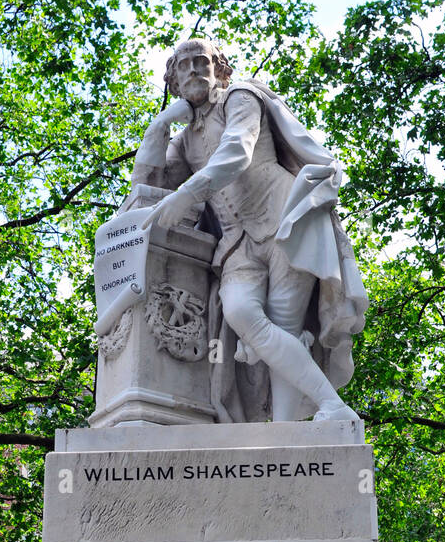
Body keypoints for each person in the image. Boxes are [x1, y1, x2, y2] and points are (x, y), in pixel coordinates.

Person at [134, 38, 368, 424]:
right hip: (236, 244)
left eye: (201, 62)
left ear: (219, 70)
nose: (193, 70)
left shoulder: (241, 97)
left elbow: (237, 152)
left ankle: (295, 426)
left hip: (283, 222)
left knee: (283, 327)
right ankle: (332, 407)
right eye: (183, 66)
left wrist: (188, 193)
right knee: (241, 312)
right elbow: (149, 186)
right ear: (173, 81)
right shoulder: (185, 138)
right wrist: (158, 127)